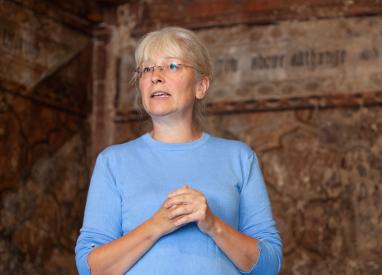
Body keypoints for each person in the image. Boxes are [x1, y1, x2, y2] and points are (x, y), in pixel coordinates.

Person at [75, 26, 282, 275]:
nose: (156, 76)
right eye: (147, 69)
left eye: (172, 66)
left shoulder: (239, 158)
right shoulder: (113, 161)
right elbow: (90, 268)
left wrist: (213, 224)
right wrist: (156, 225)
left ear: (201, 86)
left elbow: (269, 266)